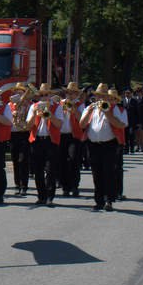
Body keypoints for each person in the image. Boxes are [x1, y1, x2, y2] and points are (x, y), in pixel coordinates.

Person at [79, 83, 128, 212]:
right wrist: (89, 111)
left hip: (109, 144)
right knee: (96, 173)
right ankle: (98, 201)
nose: (100, 99)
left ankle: (109, 200)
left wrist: (107, 112)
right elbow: (82, 125)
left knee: (109, 172)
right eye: (98, 96)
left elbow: (121, 125)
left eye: (103, 96)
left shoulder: (115, 108)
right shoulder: (90, 108)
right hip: (93, 144)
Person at [26, 83, 64, 205]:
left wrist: (49, 115)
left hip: (50, 140)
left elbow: (59, 125)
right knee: (38, 170)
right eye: (41, 95)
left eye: (46, 95)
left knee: (50, 169)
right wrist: (35, 115)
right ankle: (41, 195)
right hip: (37, 140)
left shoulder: (57, 107)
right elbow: (28, 126)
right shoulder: (34, 107)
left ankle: (49, 196)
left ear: (50, 95)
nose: (44, 97)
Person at [59, 81, 86, 197]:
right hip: (62, 135)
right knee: (62, 161)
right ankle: (65, 186)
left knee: (73, 160)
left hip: (74, 135)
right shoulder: (60, 103)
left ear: (77, 94)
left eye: (73, 93)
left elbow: (82, 120)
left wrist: (73, 110)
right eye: (69, 92)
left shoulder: (80, 104)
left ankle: (74, 186)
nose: (71, 95)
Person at [8, 82, 31, 196]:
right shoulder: (10, 105)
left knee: (23, 160)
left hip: (24, 133)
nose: (18, 93)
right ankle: (17, 184)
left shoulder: (29, 105)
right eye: (17, 92)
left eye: (21, 92)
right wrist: (13, 113)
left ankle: (24, 185)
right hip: (13, 134)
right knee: (15, 160)